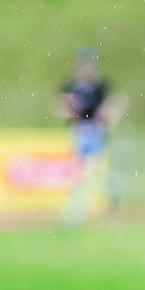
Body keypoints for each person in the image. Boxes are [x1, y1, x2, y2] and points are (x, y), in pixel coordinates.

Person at [52, 47, 127, 223]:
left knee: (88, 171)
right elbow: (61, 106)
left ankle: (76, 211)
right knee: (87, 172)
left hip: (94, 132)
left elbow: (113, 106)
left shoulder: (100, 87)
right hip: (79, 132)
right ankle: (109, 189)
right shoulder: (71, 86)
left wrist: (109, 115)